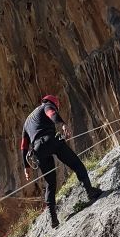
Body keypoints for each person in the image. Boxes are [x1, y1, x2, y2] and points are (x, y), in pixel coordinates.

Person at [20, 94, 102, 229]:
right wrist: (62, 124)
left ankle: (53, 219)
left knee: (50, 183)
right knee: (76, 164)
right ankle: (89, 191)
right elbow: (51, 113)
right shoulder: (46, 106)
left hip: (37, 150)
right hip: (50, 140)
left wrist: (26, 166)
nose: (55, 108)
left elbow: (23, 145)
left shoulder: (27, 122)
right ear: (54, 103)